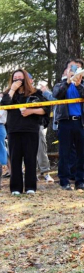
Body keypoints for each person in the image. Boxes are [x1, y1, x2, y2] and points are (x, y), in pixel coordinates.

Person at [0, 69, 48, 195]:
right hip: (14, 130)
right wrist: (12, 89)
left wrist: (31, 111)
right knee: (15, 159)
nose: (17, 80)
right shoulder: (9, 93)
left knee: (30, 159)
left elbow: (45, 109)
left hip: (31, 129)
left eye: (20, 78)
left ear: (25, 79)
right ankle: (15, 188)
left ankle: (30, 187)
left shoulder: (35, 93)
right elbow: (4, 104)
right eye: (15, 78)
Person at [53, 58, 84, 191]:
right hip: (65, 122)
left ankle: (80, 181)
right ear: (66, 70)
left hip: (80, 123)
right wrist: (68, 81)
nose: (74, 71)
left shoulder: (82, 85)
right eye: (72, 68)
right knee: (64, 153)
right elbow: (57, 95)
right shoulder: (60, 84)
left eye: (78, 68)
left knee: (81, 153)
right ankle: (64, 181)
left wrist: (78, 84)